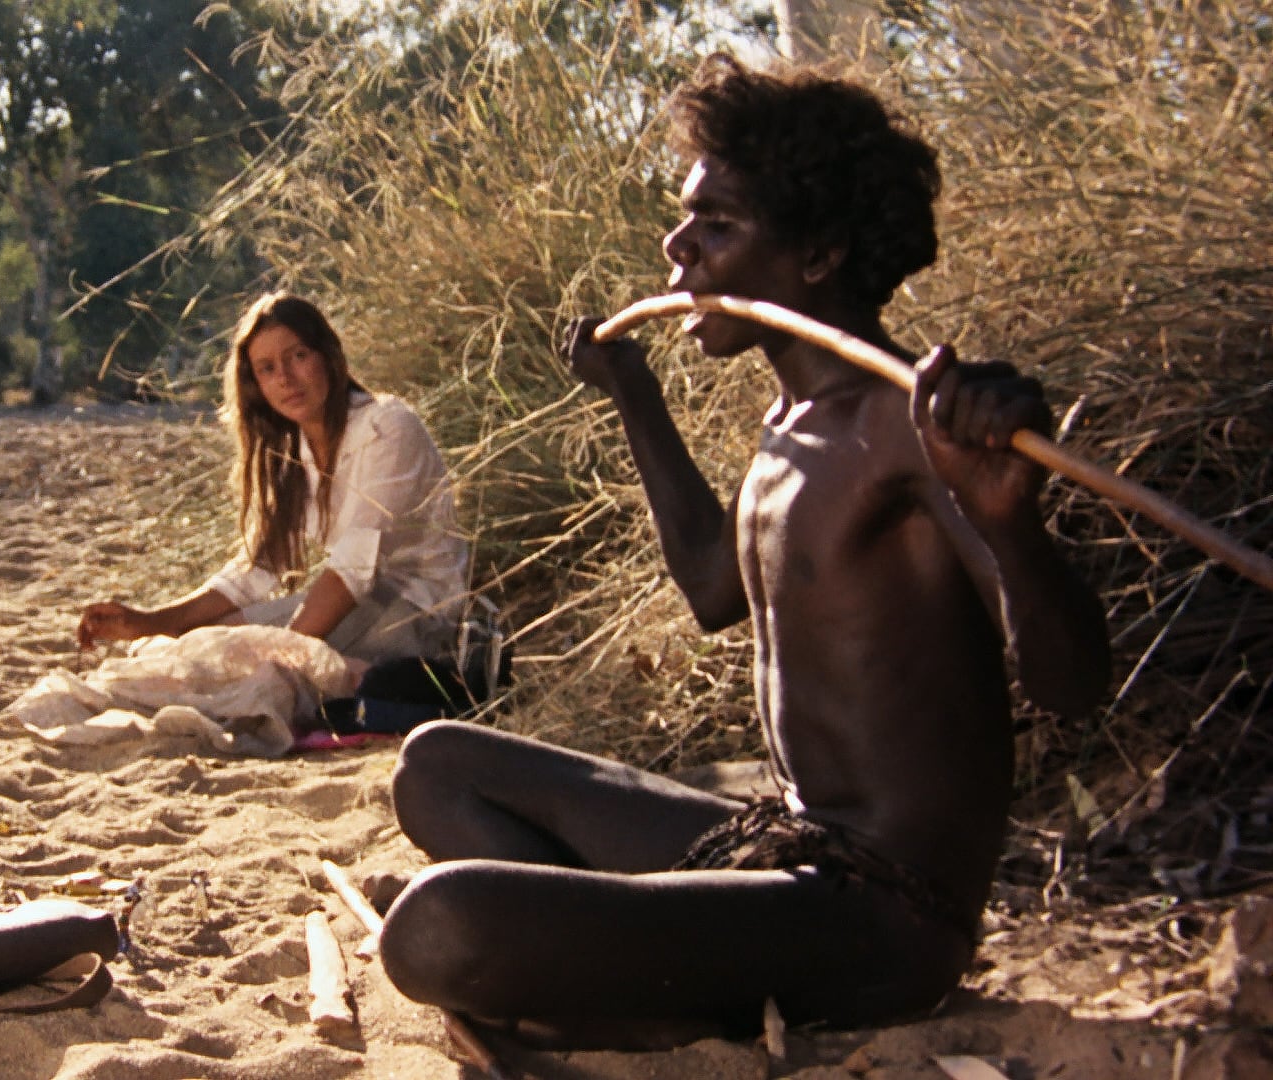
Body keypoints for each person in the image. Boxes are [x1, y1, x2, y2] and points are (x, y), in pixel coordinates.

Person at [378, 53, 1110, 1047]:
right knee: (435, 765)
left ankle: (644, 987)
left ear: (818, 255)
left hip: (881, 916)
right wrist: (634, 394)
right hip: (783, 845)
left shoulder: (909, 428)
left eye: (716, 225)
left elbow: (1073, 687)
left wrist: (1010, 521)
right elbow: (713, 587)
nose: (677, 246)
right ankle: (653, 972)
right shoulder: (792, 421)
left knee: (439, 926)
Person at [79, 292, 468, 670]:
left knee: (232, 663)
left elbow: (353, 568)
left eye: (298, 356)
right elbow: (257, 570)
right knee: (199, 643)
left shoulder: (386, 426)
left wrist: (282, 656)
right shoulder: (291, 453)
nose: (285, 378)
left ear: (328, 356)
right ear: (257, 386)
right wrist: (149, 621)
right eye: (267, 369)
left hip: (420, 616)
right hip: (355, 607)